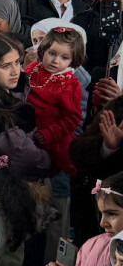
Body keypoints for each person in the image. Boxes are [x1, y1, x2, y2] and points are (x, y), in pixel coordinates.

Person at [25, 26, 85, 175]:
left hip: (54, 140)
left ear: (72, 60)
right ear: (42, 50)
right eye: (52, 53)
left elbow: (73, 118)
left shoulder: (69, 85)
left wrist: (49, 133)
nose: (56, 61)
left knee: (60, 171)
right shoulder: (34, 68)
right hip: (28, 129)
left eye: (64, 57)